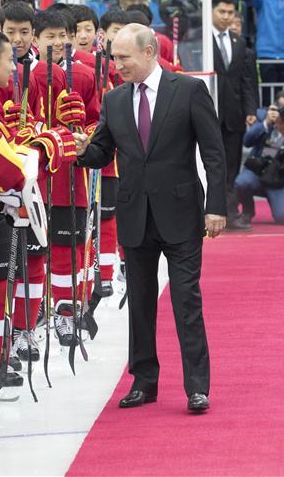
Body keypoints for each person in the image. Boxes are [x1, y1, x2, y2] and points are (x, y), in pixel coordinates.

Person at [72, 23, 227, 413]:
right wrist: (81, 150)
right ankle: (144, 381)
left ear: (148, 52)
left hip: (181, 213)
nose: (116, 64)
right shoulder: (116, 100)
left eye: (123, 57)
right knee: (139, 303)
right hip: (135, 214)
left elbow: (214, 153)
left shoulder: (189, 90)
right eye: (114, 57)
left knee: (185, 301)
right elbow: (102, 153)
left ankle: (197, 386)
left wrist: (217, 207)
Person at [210, 0, 259, 230]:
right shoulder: (199, 40)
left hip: (234, 117)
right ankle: (207, 212)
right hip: (208, 114)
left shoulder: (240, 43)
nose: (226, 17)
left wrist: (251, 110)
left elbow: (248, 81)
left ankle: (229, 214)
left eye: (230, 12)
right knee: (210, 166)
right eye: (222, 12)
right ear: (211, 11)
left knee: (232, 167)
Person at [234, 90, 284, 226]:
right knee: (241, 183)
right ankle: (248, 211)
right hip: (258, 168)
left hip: (282, 174)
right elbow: (247, 141)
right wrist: (265, 123)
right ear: (275, 106)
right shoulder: (261, 115)